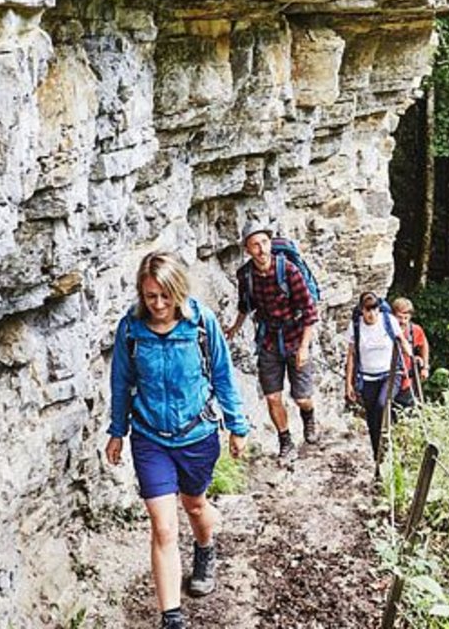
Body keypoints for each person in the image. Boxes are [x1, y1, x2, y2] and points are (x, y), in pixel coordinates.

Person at [106, 252, 250, 629]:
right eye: (150, 296)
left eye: (164, 296)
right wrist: (117, 431)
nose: (157, 305)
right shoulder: (131, 329)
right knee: (163, 527)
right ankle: (172, 617)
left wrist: (237, 426)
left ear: (178, 292)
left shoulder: (201, 324)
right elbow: (121, 382)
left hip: (197, 435)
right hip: (150, 438)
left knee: (196, 506)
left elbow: (222, 375)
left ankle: (205, 547)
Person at [227, 225, 320, 460]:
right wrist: (235, 327)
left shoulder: (288, 271)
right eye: (255, 245)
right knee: (272, 396)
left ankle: (308, 417)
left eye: (265, 243)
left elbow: (309, 311)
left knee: (302, 398)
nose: (261, 250)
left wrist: (303, 347)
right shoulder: (245, 275)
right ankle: (285, 441)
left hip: (296, 336)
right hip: (269, 340)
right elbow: (245, 305)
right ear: (247, 249)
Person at [345, 292, 413, 465]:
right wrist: (349, 385)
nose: (371, 314)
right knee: (372, 421)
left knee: (383, 404)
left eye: (374, 309)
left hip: (390, 374)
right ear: (361, 310)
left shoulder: (388, 320)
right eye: (367, 310)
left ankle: (389, 442)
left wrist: (411, 356)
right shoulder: (356, 326)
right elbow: (351, 356)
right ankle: (379, 458)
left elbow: (402, 340)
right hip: (367, 378)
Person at [392, 297, 430, 404]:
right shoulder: (387, 329)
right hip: (389, 377)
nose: (402, 321)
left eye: (406, 318)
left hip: (407, 378)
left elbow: (424, 345)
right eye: (399, 317)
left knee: (407, 408)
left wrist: (425, 367)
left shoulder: (414, 330)